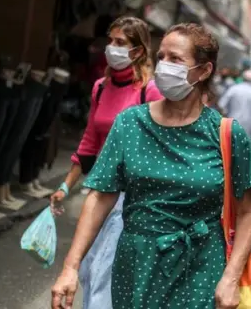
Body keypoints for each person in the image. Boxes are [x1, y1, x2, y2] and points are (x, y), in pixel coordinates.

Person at [51, 23, 251, 309]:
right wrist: (70, 268)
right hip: (136, 264)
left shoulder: (226, 134)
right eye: (161, 57)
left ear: (204, 70)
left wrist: (231, 278)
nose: (164, 66)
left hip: (199, 268)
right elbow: (100, 195)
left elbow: (248, 210)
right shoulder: (129, 123)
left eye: (176, 59)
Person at [49, 16, 161, 309]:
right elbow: (89, 142)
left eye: (120, 43)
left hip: (130, 198)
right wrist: (66, 184)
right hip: (98, 192)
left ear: (138, 51)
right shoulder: (101, 86)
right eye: (110, 41)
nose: (111, 47)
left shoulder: (149, 91)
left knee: (104, 277)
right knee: (86, 271)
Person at [218, 69, 251, 138]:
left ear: (242, 78)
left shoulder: (233, 89)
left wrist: (224, 119)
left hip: (230, 127)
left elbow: (221, 105)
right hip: (248, 131)